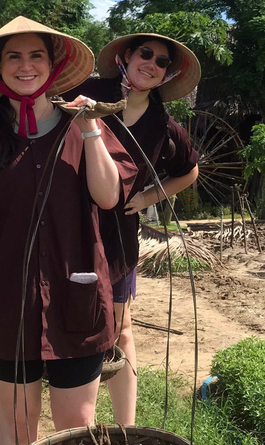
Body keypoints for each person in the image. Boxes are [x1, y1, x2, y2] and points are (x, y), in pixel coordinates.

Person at [0, 16, 137, 445]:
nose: (26, 66)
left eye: (36, 55)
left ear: (53, 64)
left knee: (77, 427)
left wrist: (90, 129)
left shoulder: (83, 124)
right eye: (14, 57)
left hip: (77, 300)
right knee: (17, 424)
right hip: (4, 303)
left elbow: (108, 197)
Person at [62, 33, 201, 425]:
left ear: (165, 75)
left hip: (118, 236)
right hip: (69, 226)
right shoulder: (85, 93)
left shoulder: (164, 124)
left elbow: (189, 171)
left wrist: (147, 198)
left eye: (161, 62)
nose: (151, 64)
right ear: (125, 57)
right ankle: (74, 422)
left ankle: (127, 428)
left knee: (120, 331)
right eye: (145, 54)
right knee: (72, 326)